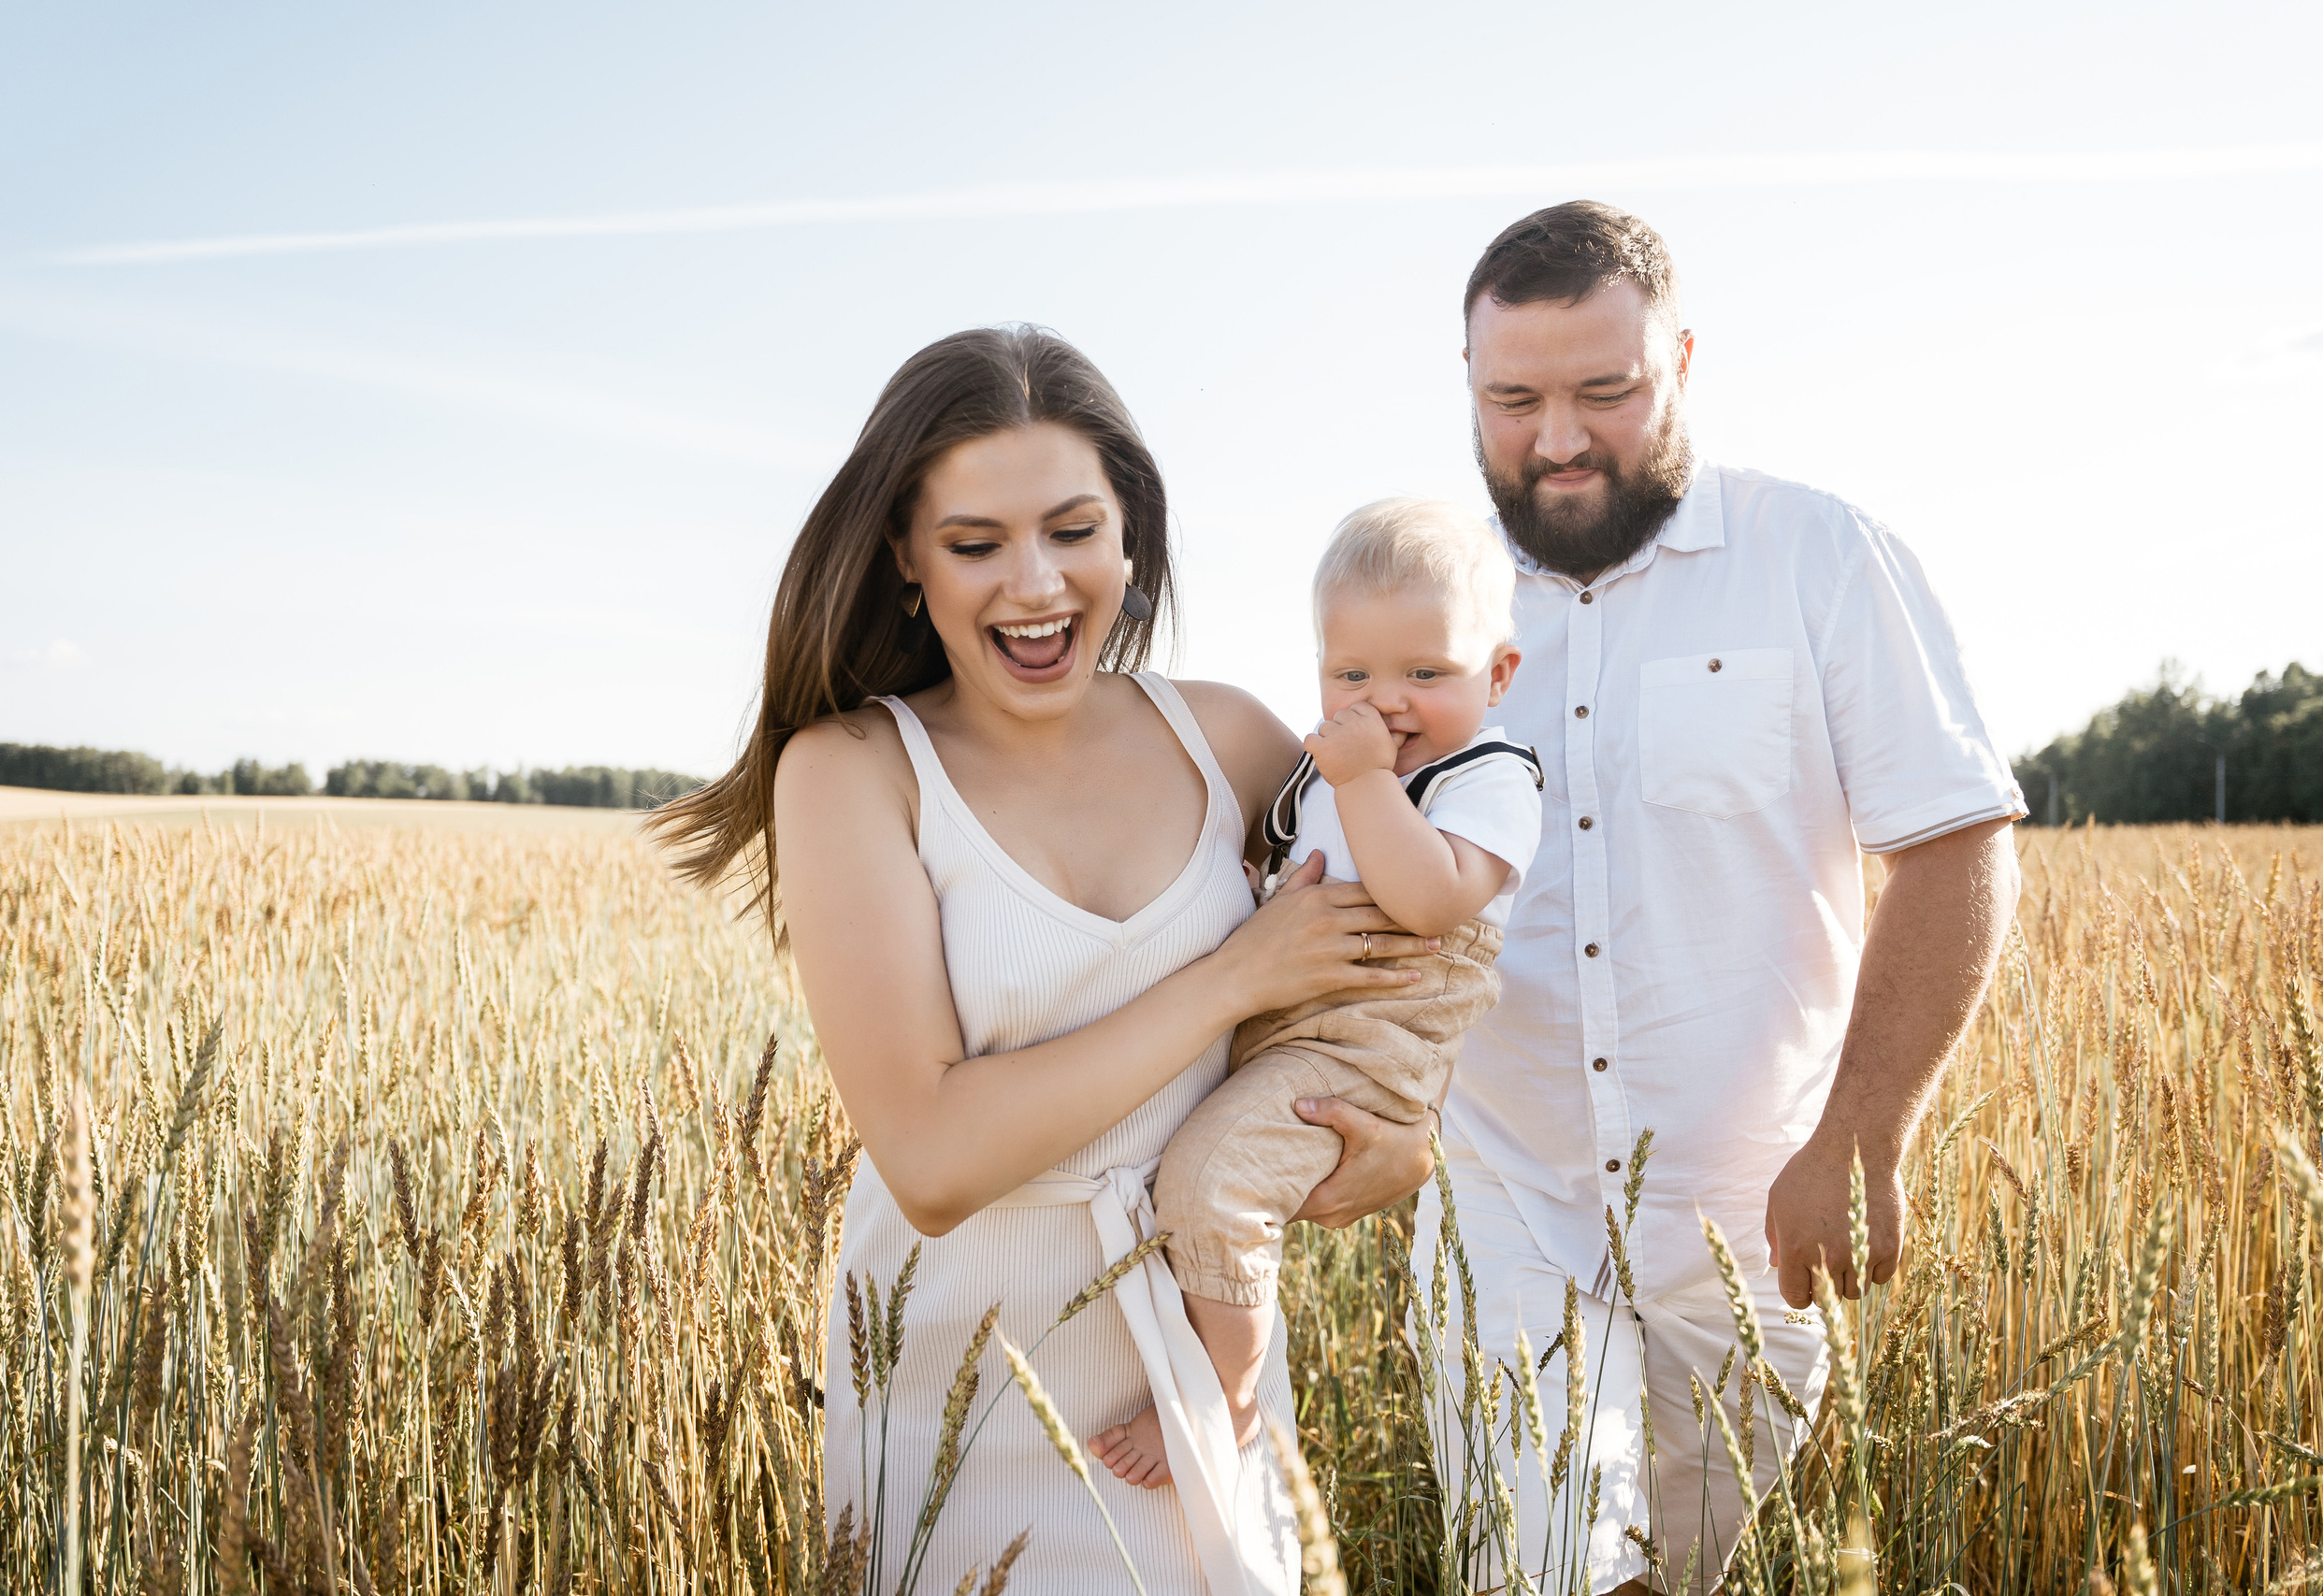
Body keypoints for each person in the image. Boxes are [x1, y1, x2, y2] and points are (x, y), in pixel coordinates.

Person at [652, 325, 1442, 1594]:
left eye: (1074, 530)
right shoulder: (854, 772)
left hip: (1197, 1367)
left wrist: (1409, 1130)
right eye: (976, 544)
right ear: (905, 557)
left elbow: (1432, 925)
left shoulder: (1227, 738)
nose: (1036, 582)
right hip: (962, 1384)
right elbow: (932, 1159)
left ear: (1129, 534)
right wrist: (1234, 979)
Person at [1419, 201, 2025, 1591]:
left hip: (1745, 1223)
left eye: (1605, 391)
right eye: (1513, 400)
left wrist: (1863, 1133)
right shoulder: (1428, 599)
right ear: (1468, 381)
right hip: (1505, 1207)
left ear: (1681, 361)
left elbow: (1956, 843)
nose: (1557, 438)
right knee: (1558, 1568)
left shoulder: (1818, 555)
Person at [1094, 497, 1544, 1488]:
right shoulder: (1321, 773)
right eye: (1352, 676)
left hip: (1368, 1039)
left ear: (1499, 674)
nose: (1385, 704)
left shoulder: (1487, 777)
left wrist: (1366, 780)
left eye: (1425, 674)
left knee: (1215, 1181)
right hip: (1284, 1016)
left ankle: (1225, 1397)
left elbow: (1427, 899)